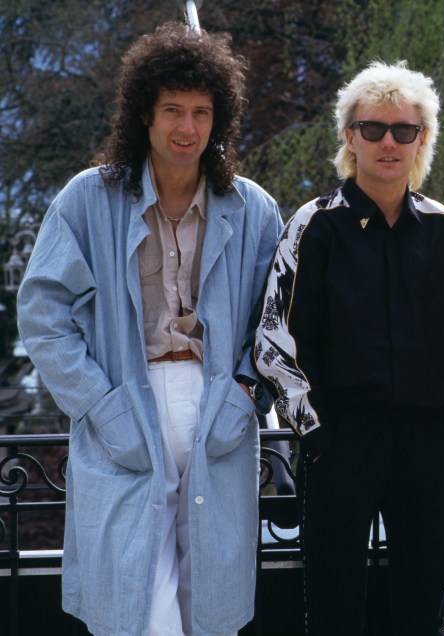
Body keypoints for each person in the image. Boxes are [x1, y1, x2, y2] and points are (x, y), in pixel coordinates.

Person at [17, 22, 282, 636]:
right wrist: (98, 406)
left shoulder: (254, 208)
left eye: (200, 112)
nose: (186, 128)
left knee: (209, 596)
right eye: (171, 111)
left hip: (219, 404)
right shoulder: (88, 199)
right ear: (144, 114)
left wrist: (248, 394)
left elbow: (280, 325)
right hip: (125, 398)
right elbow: (43, 316)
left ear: (219, 120)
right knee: (135, 597)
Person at [253, 60, 444, 634]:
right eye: (373, 128)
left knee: (423, 610)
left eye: (405, 130)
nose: (388, 142)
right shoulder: (313, 225)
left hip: (430, 445)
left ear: (422, 140)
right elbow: (275, 340)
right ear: (349, 136)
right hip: (340, 445)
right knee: (333, 609)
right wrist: (319, 436)